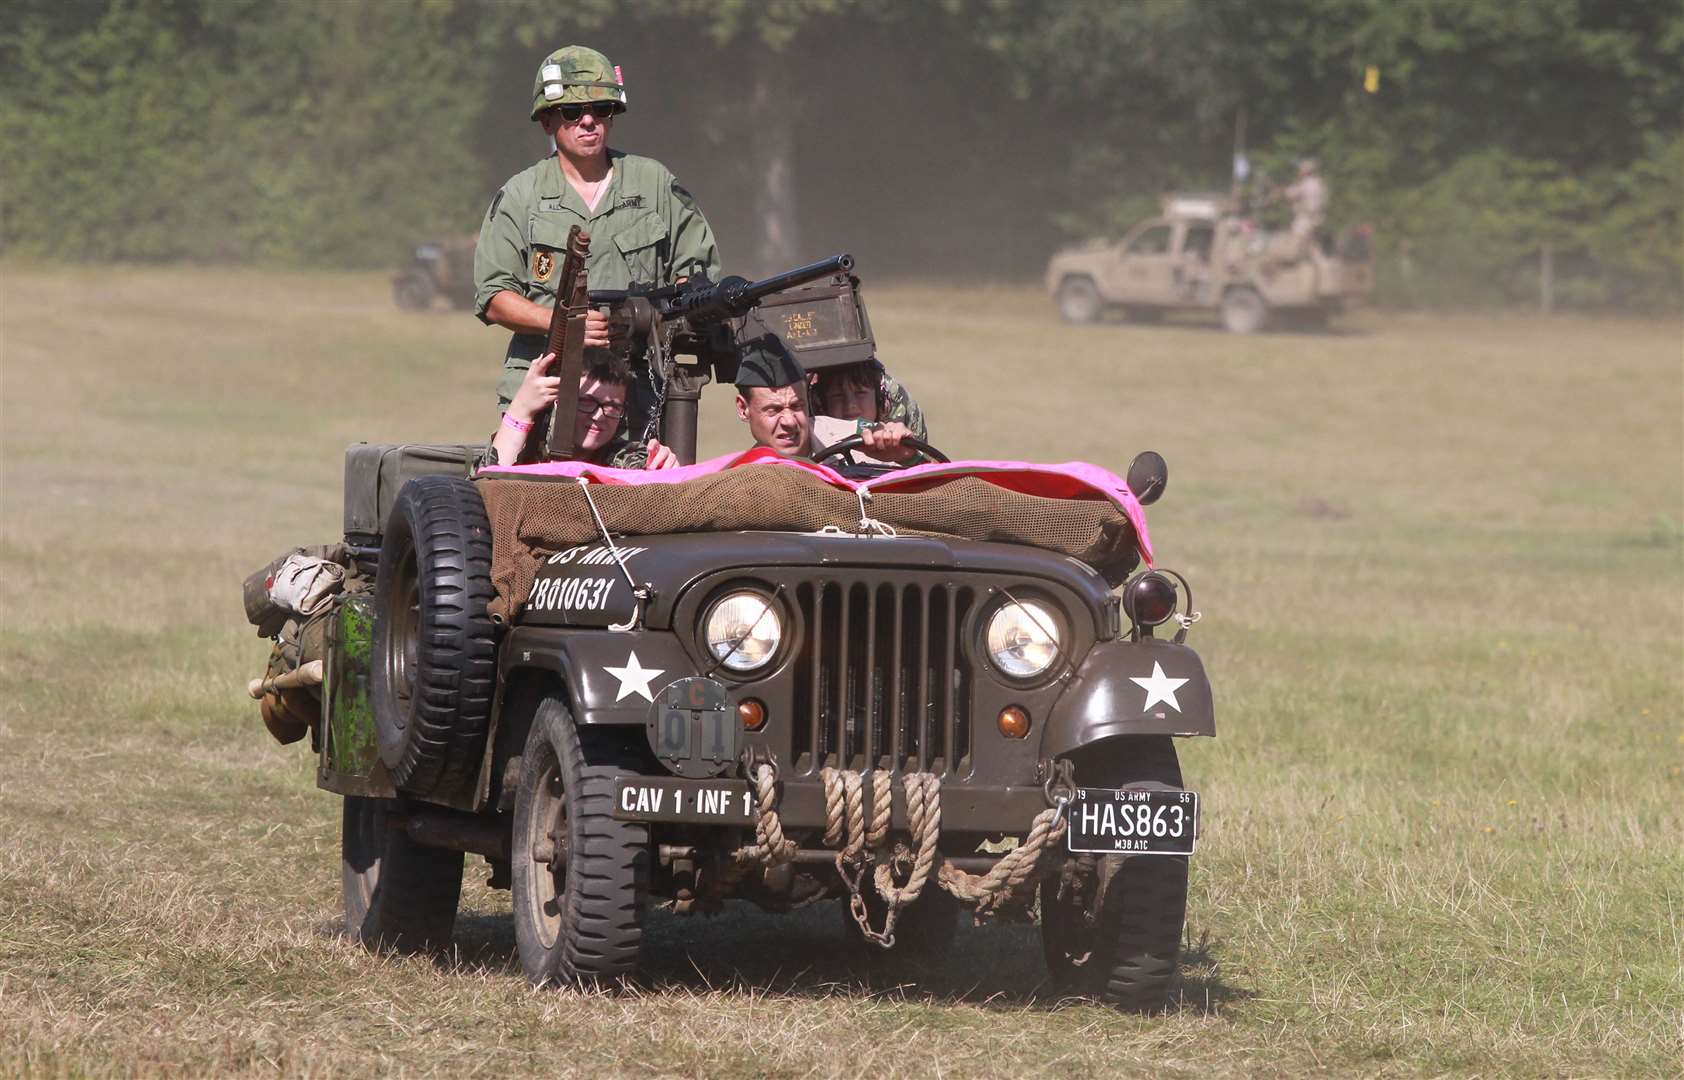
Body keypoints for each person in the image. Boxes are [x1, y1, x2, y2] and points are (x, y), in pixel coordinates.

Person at [474, 45, 721, 444]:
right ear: (547, 122)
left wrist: (663, 314)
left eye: (600, 110)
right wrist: (565, 324)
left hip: (640, 392)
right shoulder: (521, 196)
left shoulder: (654, 185)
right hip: (546, 388)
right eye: (572, 113)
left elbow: (697, 277)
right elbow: (494, 296)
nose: (588, 121)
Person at [734, 337, 917, 463]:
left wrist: (907, 457)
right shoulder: (739, 481)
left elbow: (935, 480)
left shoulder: (858, 435)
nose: (789, 421)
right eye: (774, 410)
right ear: (743, 409)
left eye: (797, 406)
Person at [490, 351, 679, 469]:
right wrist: (521, 408)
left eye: (612, 407)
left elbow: (643, 464)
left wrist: (661, 464)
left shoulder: (621, 454)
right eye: (587, 402)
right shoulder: (531, 441)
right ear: (559, 402)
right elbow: (488, 479)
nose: (598, 416)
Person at [809, 358, 928, 441]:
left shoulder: (896, 439)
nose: (850, 405)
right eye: (837, 396)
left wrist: (907, 454)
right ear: (821, 404)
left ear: (879, 400)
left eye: (860, 393)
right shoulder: (814, 440)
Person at [1279, 158, 1328, 259]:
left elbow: (1291, 193)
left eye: (1301, 169)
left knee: (1296, 235)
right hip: (1317, 217)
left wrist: (1282, 190)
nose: (1299, 172)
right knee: (1312, 243)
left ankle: (1290, 259)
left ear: (1306, 171)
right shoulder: (1319, 183)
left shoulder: (1306, 184)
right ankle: (1320, 263)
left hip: (1307, 216)